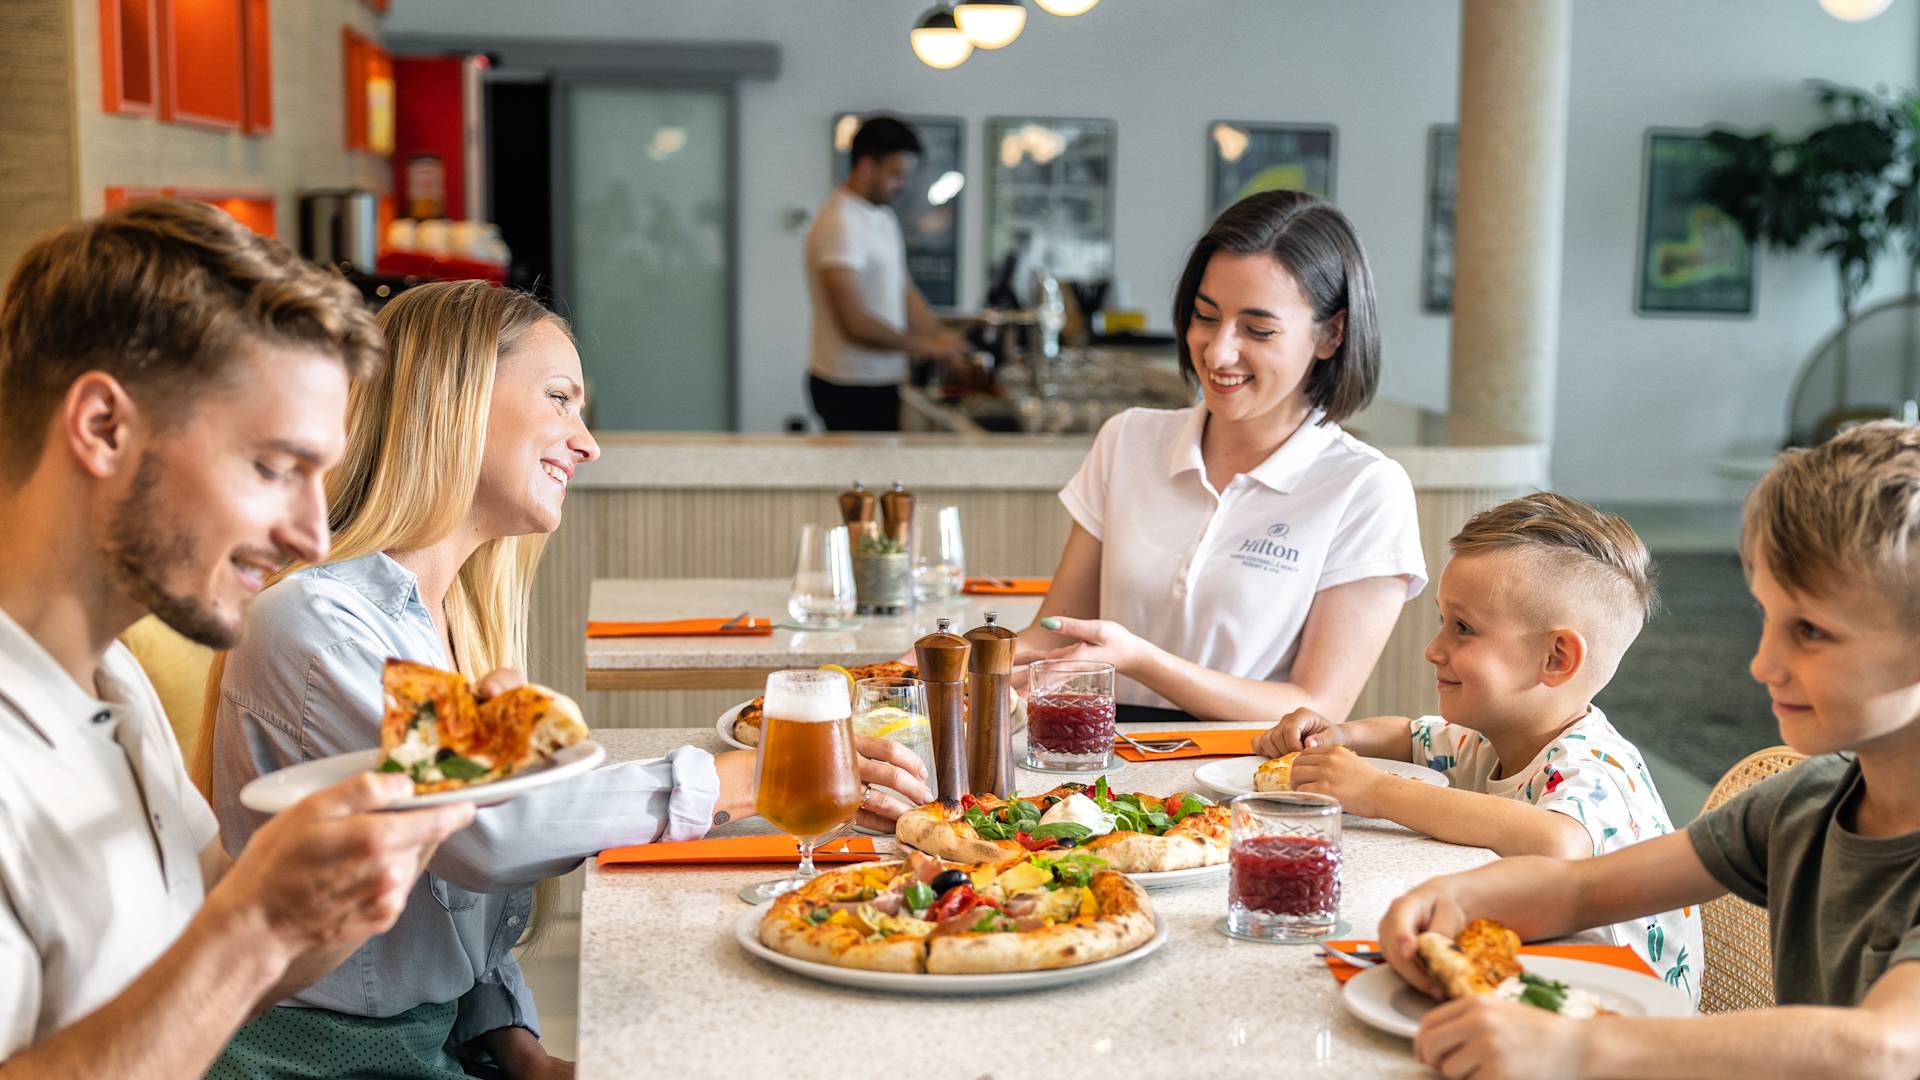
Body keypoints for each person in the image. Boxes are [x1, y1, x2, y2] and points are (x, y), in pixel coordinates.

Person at [205, 280, 934, 1078]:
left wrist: (514, 1043)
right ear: (452, 398)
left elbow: (448, 905)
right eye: (560, 398)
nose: (586, 443)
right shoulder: (321, 622)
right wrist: (750, 775)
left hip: (437, 1045)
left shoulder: (454, 626)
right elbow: (486, 834)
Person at [0, 199, 473, 1075]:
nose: (312, 537)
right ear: (103, 427)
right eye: (274, 468)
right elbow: (234, 943)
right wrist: (256, 929)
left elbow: (209, 937)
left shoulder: (108, 678)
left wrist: (382, 847)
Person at [1378, 422, 1920, 1080]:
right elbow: (1584, 889)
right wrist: (1453, 898)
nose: (1762, 664)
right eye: (1767, 618)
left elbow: (1884, 1048)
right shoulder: (1805, 802)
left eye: (1809, 631)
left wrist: (1579, 1048)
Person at [1258, 493, 1699, 993]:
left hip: (1613, 1008)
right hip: (1530, 975)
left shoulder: (1593, 767)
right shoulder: (1491, 736)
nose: (1433, 649)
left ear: (1556, 658)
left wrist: (1376, 791)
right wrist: (1338, 734)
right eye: (1442, 622)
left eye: (1463, 628)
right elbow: (1409, 735)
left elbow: (1557, 843)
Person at [1016, 191, 1426, 723]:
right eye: (1205, 316)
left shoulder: (1366, 488)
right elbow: (1053, 634)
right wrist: (950, 664)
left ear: (1332, 334)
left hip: (1245, 768)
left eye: (1258, 330)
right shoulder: (1128, 439)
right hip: (1101, 759)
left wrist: (1141, 661)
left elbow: (1318, 705)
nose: (1218, 351)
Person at [805, 114, 966, 431]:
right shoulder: (840, 222)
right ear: (867, 166)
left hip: (881, 379)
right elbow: (853, 323)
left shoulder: (882, 217)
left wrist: (942, 338)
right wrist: (927, 346)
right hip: (849, 384)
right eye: (895, 174)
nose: (903, 185)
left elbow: (902, 289)